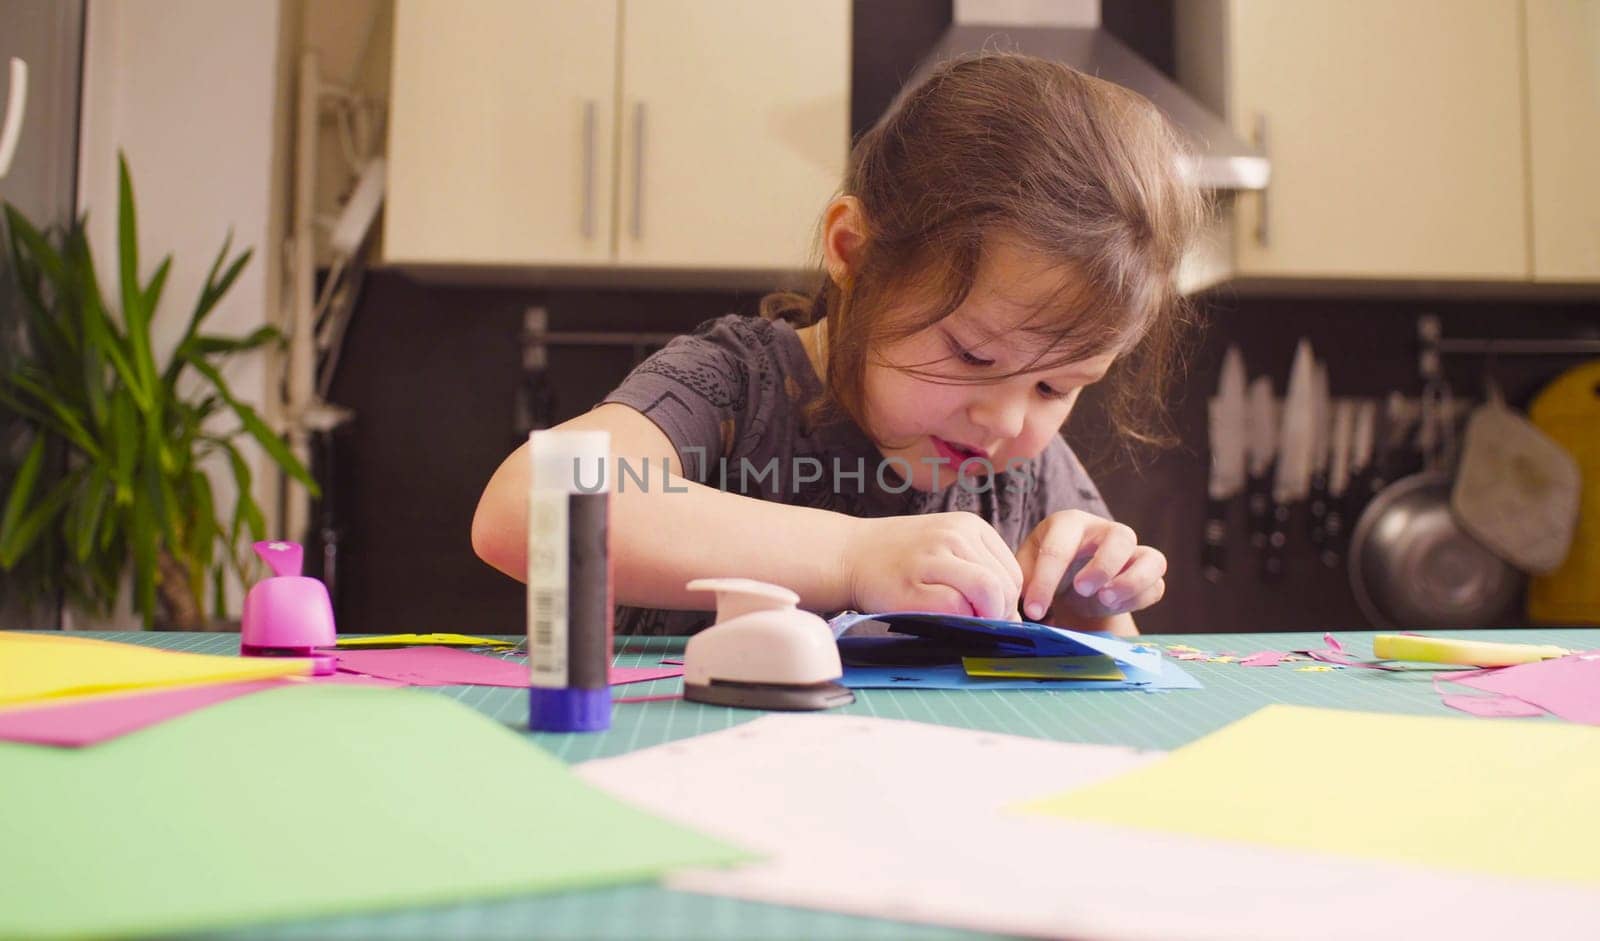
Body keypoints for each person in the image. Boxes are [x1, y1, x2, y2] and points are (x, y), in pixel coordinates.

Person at [472, 52, 1205, 638]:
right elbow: (525, 509)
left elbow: (1115, 686)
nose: (1010, 422)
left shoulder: (1025, 468)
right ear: (852, 249)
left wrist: (1090, 604)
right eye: (974, 356)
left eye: (1057, 387)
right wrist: (855, 557)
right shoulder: (738, 383)